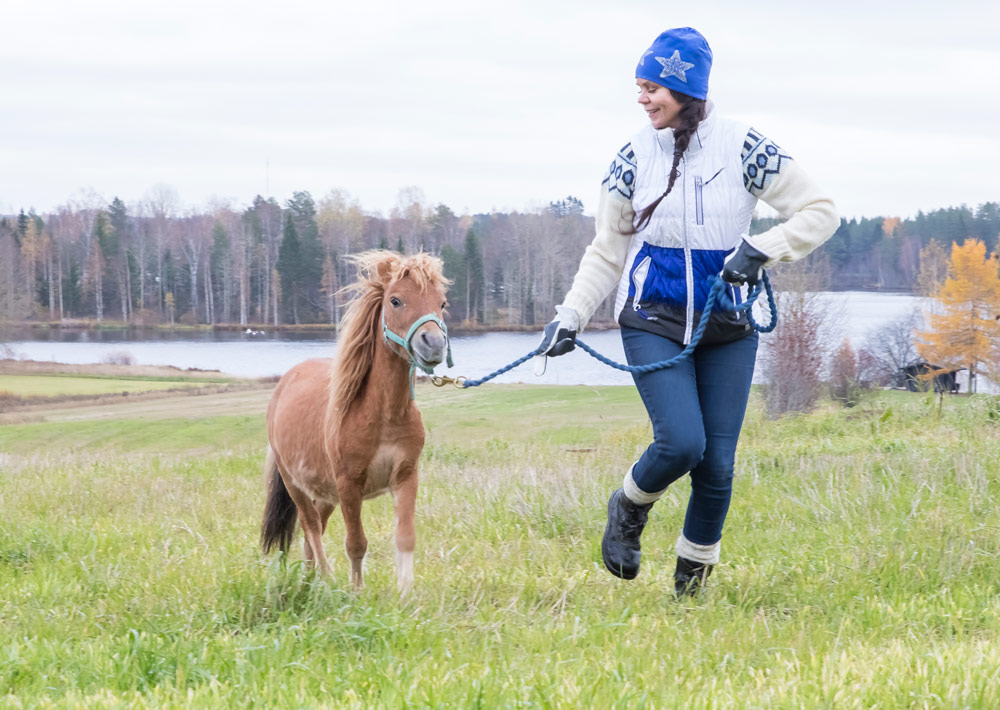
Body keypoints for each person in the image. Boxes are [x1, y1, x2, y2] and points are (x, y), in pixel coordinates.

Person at [537, 27, 838, 596]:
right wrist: (571, 316)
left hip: (728, 325)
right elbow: (607, 250)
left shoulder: (744, 146)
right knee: (681, 443)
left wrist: (761, 249)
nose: (643, 98)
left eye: (653, 87)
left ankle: (689, 589)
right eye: (639, 86)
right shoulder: (632, 156)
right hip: (654, 319)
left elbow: (821, 211)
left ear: (685, 89)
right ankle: (627, 507)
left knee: (717, 466)